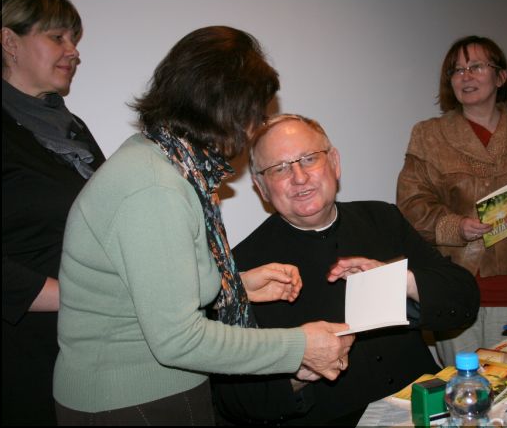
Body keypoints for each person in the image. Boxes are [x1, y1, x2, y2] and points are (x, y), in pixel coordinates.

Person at [52, 26, 354, 425]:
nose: (255, 128)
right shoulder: (155, 187)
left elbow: (151, 292)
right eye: (255, 113)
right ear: (227, 109)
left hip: (146, 395)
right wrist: (300, 346)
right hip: (131, 404)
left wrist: (236, 286)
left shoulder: (165, 162)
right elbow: (178, 339)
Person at [212, 113, 480, 425]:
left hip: (423, 406)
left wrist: (400, 282)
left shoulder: (383, 219)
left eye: (309, 159)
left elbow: (465, 300)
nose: (299, 177)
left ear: (334, 163)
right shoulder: (242, 267)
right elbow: (232, 401)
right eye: (280, 168)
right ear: (261, 187)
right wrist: (298, 371)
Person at [396, 35, 507, 367]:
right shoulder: (428, 134)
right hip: (451, 281)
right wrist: (456, 226)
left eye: (476, 66)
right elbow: (411, 205)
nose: (465, 76)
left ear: (500, 77)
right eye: (456, 70)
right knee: (462, 383)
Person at [2, 0, 106, 425]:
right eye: (57, 37)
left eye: (74, 39)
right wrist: (77, 297)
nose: (73, 51)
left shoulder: (70, 129)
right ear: (9, 41)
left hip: (90, 350)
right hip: (22, 361)